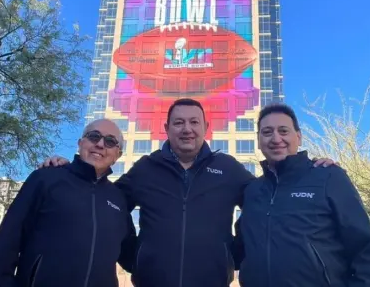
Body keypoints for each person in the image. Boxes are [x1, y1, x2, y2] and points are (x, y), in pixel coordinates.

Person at [41, 98, 338, 287]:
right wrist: (73, 171)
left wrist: (304, 170)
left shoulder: (229, 168)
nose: (187, 129)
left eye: (194, 122)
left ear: (205, 128)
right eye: (179, 122)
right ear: (167, 128)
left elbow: (268, 199)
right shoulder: (146, 168)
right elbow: (105, 203)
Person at [235, 104, 370, 286]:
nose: (276, 138)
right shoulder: (252, 191)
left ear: (298, 137)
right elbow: (239, 250)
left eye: (283, 131)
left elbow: (365, 248)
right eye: (267, 132)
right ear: (258, 141)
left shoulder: (328, 176)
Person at [0, 119, 136, 287]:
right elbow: (8, 240)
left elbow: (132, 258)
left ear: (117, 155)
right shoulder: (46, 178)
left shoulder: (118, 200)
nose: (100, 144)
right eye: (94, 136)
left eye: (110, 141)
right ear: (80, 143)